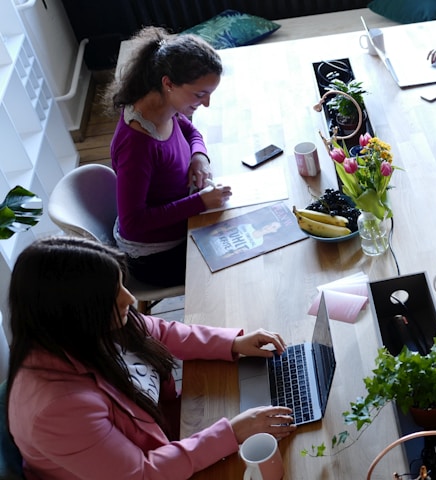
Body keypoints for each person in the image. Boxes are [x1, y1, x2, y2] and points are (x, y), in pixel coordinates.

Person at [6, 237, 296, 479]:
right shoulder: (58, 410)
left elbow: (160, 331)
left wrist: (233, 343)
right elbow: (141, 474)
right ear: (72, 313)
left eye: (121, 284)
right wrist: (232, 432)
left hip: (169, 434)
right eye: (113, 294)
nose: (129, 299)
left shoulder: (87, 328)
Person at [105, 26, 232, 288]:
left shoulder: (162, 106)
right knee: (237, 265)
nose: (206, 103)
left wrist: (199, 156)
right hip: (156, 257)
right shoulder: (137, 145)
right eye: (200, 94)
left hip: (183, 222)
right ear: (168, 83)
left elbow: (189, 129)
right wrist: (199, 202)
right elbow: (134, 223)